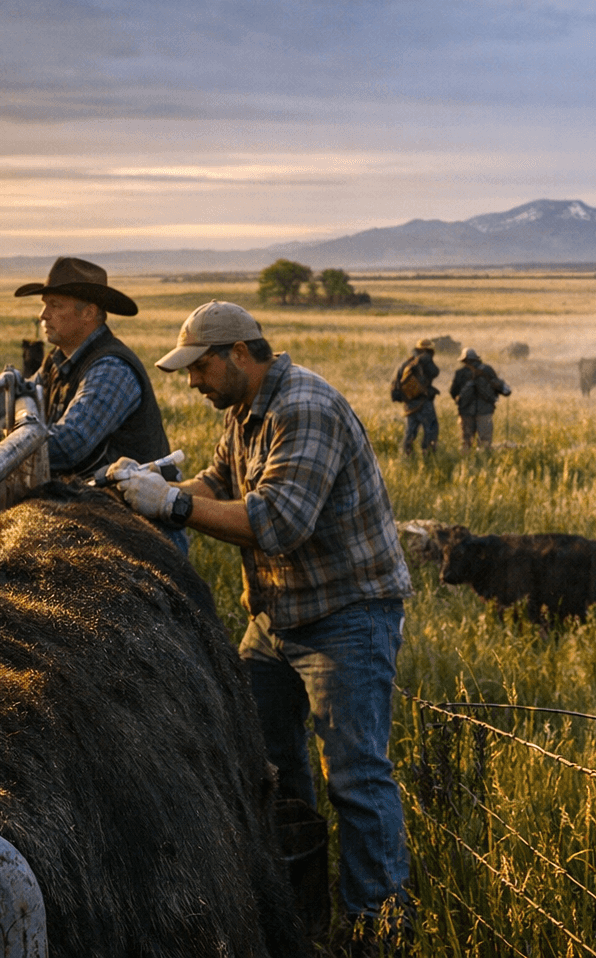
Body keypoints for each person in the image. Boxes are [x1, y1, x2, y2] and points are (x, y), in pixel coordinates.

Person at [106, 301, 413, 947]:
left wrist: (174, 505)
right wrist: (150, 487)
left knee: (356, 777)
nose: (193, 382)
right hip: (279, 615)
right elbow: (221, 481)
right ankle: (302, 902)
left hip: (346, 616)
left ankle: (378, 927)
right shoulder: (247, 410)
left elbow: (276, 523)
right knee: (268, 760)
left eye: (200, 368)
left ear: (240, 354)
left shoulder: (305, 408)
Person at [15, 256, 171, 479]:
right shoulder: (58, 360)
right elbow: (24, 393)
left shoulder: (111, 369)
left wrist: (7, 447)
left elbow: (68, 445)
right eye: (44, 304)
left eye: (55, 305)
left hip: (129, 505)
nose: (43, 315)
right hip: (92, 502)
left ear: (88, 313)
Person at [448, 347, 512, 449]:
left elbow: (453, 392)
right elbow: (497, 386)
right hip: (485, 411)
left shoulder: (460, 373)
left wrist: (462, 401)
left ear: (463, 360)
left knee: (466, 441)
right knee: (485, 441)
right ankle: (484, 461)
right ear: (477, 358)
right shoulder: (487, 370)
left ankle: (466, 461)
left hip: (466, 412)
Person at [393, 339, 440, 455]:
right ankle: (428, 455)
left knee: (410, 431)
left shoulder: (406, 364)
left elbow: (396, 384)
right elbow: (435, 372)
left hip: (409, 404)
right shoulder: (427, 360)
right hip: (425, 403)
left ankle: (406, 455)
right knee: (431, 429)